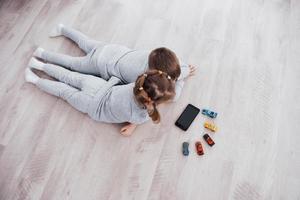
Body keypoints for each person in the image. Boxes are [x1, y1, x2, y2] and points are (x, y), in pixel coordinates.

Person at [32, 24, 196, 101]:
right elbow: (175, 96)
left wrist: (183, 73)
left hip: (112, 49)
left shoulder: (155, 56)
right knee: (73, 64)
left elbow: (182, 66)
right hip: (100, 63)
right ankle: (42, 53)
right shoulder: (144, 78)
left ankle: (62, 28)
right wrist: (182, 79)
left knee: (86, 42)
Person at [25, 58, 175, 136]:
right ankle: (34, 80)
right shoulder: (141, 116)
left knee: (69, 76)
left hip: (99, 86)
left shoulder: (136, 84)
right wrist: (132, 127)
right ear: (152, 101)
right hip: (92, 106)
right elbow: (139, 117)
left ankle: (39, 65)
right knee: (63, 91)